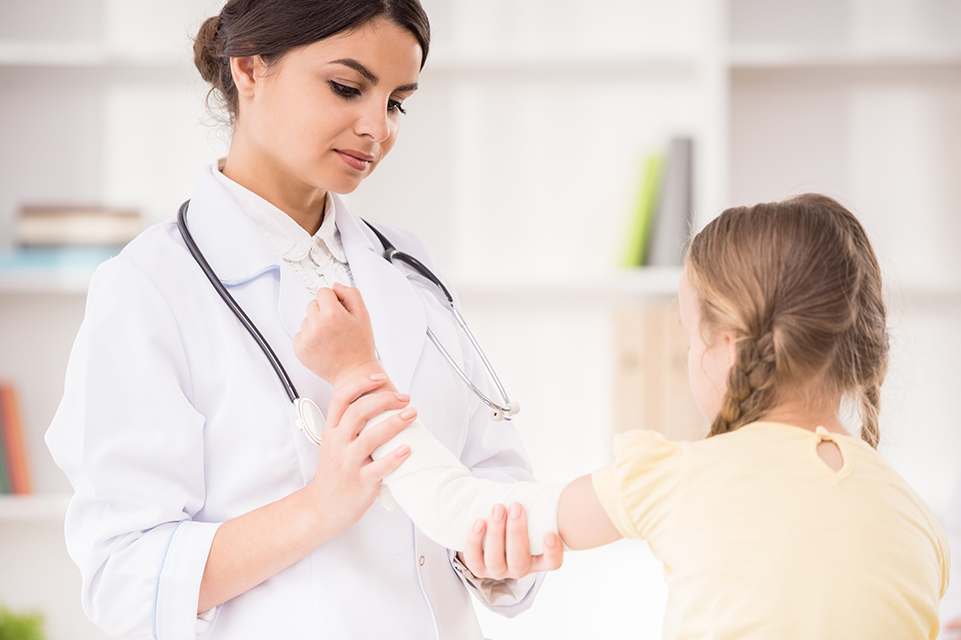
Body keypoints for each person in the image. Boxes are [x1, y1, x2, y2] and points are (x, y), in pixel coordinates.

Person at [44, 1, 561, 638]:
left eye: (397, 101)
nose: (378, 128)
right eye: (347, 87)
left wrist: (492, 551)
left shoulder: (407, 267)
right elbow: (123, 576)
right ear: (250, 69)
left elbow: (494, 479)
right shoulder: (149, 288)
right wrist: (319, 507)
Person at [298, 193, 951, 639]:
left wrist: (359, 372)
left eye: (688, 337)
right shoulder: (916, 520)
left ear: (726, 344)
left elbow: (465, 510)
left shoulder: (673, 476)